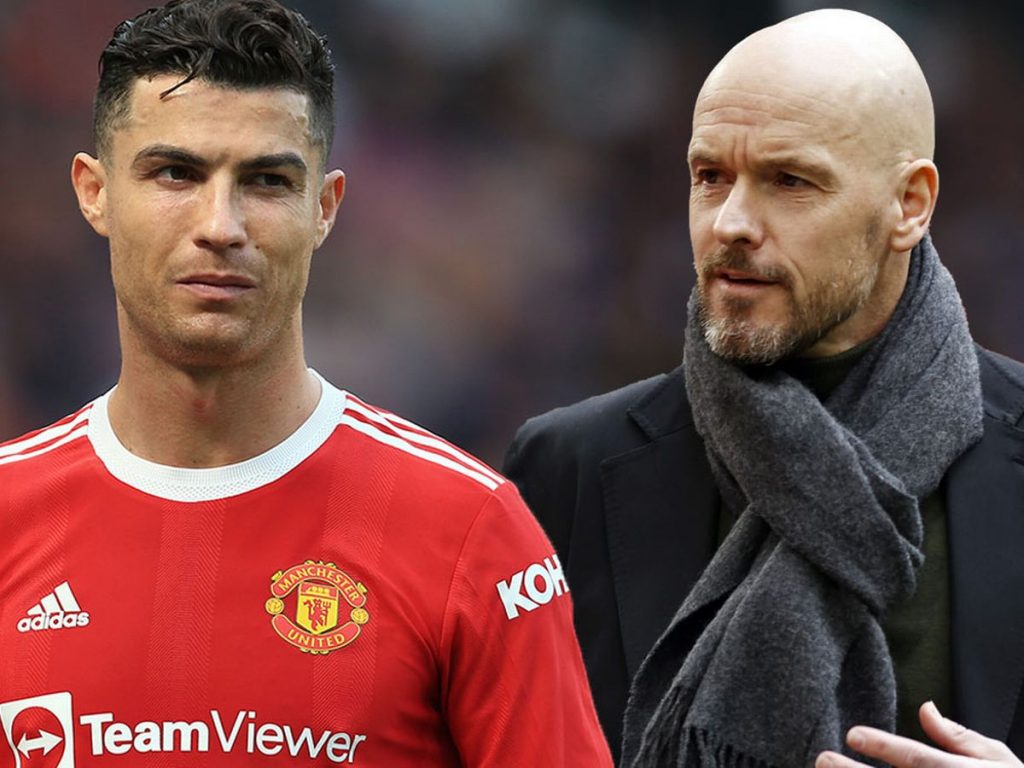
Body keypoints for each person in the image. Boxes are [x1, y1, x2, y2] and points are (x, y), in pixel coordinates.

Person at [0, 1, 613, 766]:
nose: (220, 226)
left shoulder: (471, 534)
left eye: (266, 181)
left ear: (324, 208)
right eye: (175, 173)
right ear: (95, 192)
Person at [504, 9, 1024, 768]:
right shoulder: (568, 468)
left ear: (909, 204)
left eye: (790, 181)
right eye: (710, 176)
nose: (731, 223)